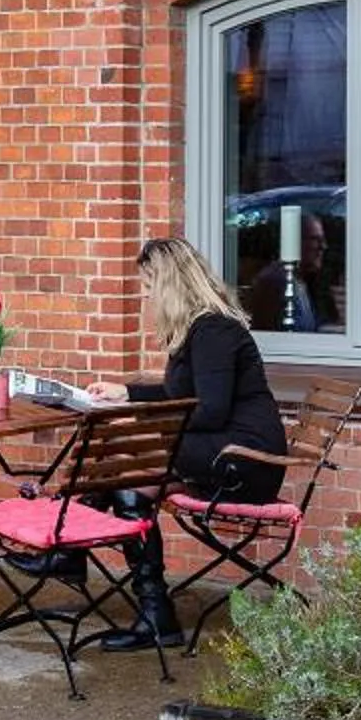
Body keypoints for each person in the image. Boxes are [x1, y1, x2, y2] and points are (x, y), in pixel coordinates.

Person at [84, 236, 289, 651]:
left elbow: (209, 412)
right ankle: (156, 617)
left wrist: (152, 427)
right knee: (128, 480)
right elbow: (186, 400)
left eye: (148, 284)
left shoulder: (213, 329)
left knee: (122, 455)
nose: (144, 294)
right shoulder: (196, 330)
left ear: (169, 285)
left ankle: (72, 553)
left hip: (244, 460)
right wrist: (126, 394)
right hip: (221, 451)